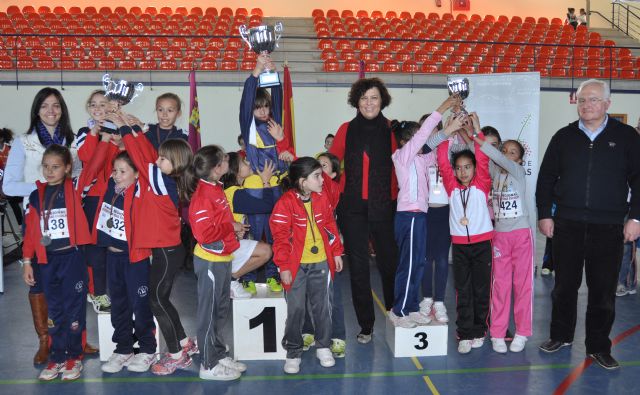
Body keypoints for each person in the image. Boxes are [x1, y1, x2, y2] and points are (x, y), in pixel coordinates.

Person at [536, 79, 640, 370]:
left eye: (593, 100)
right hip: (566, 224)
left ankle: (598, 346)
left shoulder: (627, 137)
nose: (587, 105)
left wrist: (635, 217)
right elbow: (545, 179)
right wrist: (545, 214)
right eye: (582, 100)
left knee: (603, 291)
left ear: (608, 103)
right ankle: (560, 336)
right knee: (564, 287)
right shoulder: (563, 137)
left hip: (608, 228)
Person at [2, 87, 92, 364]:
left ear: (62, 110)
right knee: (40, 285)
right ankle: (46, 340)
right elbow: (8, 185)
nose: (51, 111)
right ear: (36, 110)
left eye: (56, 106)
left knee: (75, 285)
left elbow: (79, 179)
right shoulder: (23, 142)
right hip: (39, 223)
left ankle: (79, 339)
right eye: (45, 106)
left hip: (70, 226)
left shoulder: (73, 141)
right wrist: (45, 189)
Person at [110, 113, 199, 376]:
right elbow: (147, 154)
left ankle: (175, 356)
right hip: (165, 251)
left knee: (156, 301)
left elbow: (142, 157)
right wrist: (136, 128)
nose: (156, 161)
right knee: (161, 299)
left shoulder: (164, 182)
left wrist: (127, 129)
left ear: (176, 164)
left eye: (163, 159)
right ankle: (184, 343)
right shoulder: (160, 177)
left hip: (167, 252)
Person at [21, 144, 105, 381]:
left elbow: (94, 165)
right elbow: (30, 233)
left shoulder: (74, 188)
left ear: (67, 168)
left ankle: (74, 357)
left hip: (72, 258)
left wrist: (103, 137)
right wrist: (28, 261)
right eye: (46, 166)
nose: (49, 171)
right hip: (47, 261)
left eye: (55, 167)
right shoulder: (36, 195)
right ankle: (57, 356)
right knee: (54, 310)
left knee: (74, 308)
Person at [329, 77, 398, 344]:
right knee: (358, 269)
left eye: (374, 98)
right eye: (364, 98)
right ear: (356, 102)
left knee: (388, 265)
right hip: (353, 210)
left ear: (382, 101)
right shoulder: (346, 129)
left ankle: (395, 313)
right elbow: (331, 165)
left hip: (385, 208)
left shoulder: (393, 129)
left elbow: (406, 163)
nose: (369, 103)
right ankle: (366, 325)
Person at [388, 96, 461, 328]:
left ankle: (409, 308)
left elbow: (436, 141)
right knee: (408, 265)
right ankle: (398, 311)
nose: (424, 139)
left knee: (418, 263)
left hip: (420, 215)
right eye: (418, 135)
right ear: (406, 141)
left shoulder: (424, 157)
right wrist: (441, 108)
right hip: (408, 216)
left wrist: (452, 124)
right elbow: (424, 137)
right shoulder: (402, 156)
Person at [270, 157, 344, 374]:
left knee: (323, 309)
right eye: (317, 176)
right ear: (303, 181)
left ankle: (323, 347)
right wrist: (284, 266)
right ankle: (293, 352)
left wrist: (336, 252)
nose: (322, 180)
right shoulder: (285, 203)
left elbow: (331, 225)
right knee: (296, 310)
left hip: (321, 262)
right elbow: (280, 237)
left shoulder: (322, 199)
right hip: (295, 267)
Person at [90, 138, 157, 374]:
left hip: (135, 259)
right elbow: (98, 162)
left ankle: (148, 349)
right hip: (112, 258)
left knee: (140, 304)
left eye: (123, 171)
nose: (117, 175)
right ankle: (124, 348)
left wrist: (133, 135)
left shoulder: (141, 192)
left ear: (137, 174)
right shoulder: (109, 187)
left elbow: (147, 161)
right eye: (115, 171)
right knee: (118, 305)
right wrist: (109, 137)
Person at [188, 145, 248, 381]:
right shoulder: (202, 196)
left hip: (223, 258)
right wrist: (229, 227)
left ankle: (218, 352)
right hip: (210, 262)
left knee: (221, 310)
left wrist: (234, 231)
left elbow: (220, 222)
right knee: (209, 314)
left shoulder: (216, 188)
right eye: (224, 159)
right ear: (216, 169)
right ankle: (208, 364)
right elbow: (204, 234)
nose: (228, 161)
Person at [472, 129, 533, 354]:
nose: (506, 154)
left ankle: (522, 332)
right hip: (500, 235)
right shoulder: (494, 172)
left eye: (512, 152)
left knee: (522, 285)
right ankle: (497, 332)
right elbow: (483, 156)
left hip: (520, 234)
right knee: (500, 285)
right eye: (504, 150)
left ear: (519, 159)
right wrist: (474, 131)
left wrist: (478, 135)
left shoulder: (518, 171)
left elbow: (494, 155)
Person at [437, 113, 493, 354]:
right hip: (459, 245)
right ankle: (465, 333)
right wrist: (447, 132)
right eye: (458, 168)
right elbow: (441, 160)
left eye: (467, 167)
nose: (462, 172)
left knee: (481, 289)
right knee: (463, 290)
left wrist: (477, 132)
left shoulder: (482, 184)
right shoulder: (451, 188)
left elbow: (482, 159)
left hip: (483, 244)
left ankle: (480, 330)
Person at [239, 53, 290, 294]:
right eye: (258, 107)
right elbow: (247, 100)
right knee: (254, 233)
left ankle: (273, 275)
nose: (262, 111)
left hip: (276, 189)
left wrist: (274, 75)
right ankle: (247, 276)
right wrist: (257, 71)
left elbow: (278, 100)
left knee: (275, 233)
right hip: (255, 188)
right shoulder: (249, 126)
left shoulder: (275, 125)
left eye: (265, 106)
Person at [301, 152, 346, 358]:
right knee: (305, 295)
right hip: (307, 253)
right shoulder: (307, 192)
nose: (319, 171)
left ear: (333, 174)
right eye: (316, 168)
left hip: (328, 252)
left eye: (324, 167)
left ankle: (337, 336)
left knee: (332, 297)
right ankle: (307, 331)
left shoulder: (332, 188)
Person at [220, 152, 276, 298]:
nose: (249, 163)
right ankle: (231, 280)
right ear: (236, 171)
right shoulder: (235, 193)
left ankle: (232, 278)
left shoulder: (233, 191)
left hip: (229, 242)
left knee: (263, 249)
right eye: (244, 163)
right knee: (266, 251)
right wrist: (266, 181)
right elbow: (266, 206)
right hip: (225, 247)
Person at [76, 90, 112, 314]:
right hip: (93, 199)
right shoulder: (83, 132)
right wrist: (95, 133)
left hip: (116, 198)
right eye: (94, 104)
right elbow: (89, 159)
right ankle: (96, 291)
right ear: (89, 108)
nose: (98, 108)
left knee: (116, 248)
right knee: (94, 248)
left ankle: (110, 289)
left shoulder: (117, 131)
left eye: (103, 104)